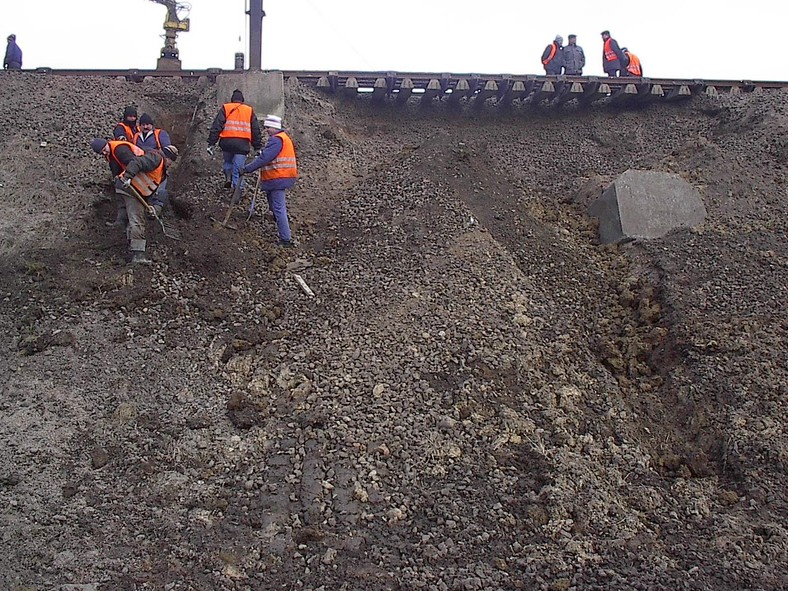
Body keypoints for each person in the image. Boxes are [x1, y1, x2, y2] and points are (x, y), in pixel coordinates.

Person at [91, 138, 178, 264]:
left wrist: (152, 207)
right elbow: (137, 162)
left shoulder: (160, 170)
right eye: (171, 162)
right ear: (168, 158)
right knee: (137, 220)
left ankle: (129, 246)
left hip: (131, 190)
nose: (170, 165)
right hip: (130, 189)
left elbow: (150, 189)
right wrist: (127, 177)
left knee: (131, 219)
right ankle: (138, 254)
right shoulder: (156, 159)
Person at [242, 115, 298, 248]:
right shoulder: (281, 138)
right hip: (279, 177)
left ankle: (285, 239)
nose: (266, 130)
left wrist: (247, 169)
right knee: (274, 206)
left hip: (279, 177)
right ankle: (279, 222)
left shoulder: (277, 140)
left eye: (268, 127)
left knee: (279, 208)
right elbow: (268, 155)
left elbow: (265, 158)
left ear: (275, 127)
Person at [207, 89, 262, 193]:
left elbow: (217, 126)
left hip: (226, 142)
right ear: (242, 100)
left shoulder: (226, 108)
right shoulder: (248, 110)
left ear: (232, 100)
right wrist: (257, 147)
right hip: (242, 145)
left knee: (228, 162)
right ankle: (238, 190)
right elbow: (255, 130)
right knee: (238, 168)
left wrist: (211, 143)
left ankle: (228, 177)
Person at [134, 113, 173, 215]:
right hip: (142, 168)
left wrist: (166, 162)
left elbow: (168, 150)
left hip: (157, 167)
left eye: (147, 124)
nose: (145, 127)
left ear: (152, 125)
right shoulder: (136, 137)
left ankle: (157, 209)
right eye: (143, 125)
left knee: (159, 189)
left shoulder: (160, 134)